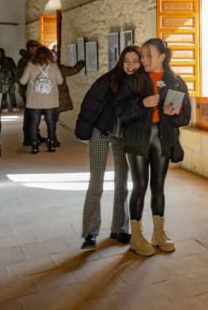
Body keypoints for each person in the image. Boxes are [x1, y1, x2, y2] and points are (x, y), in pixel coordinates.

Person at [115, 38, 191, 256]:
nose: (144, 60)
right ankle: (137, 237)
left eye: (149, 55)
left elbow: (186, 115)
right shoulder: (133, 80)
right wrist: (142, 104)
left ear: (162, 57)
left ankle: (159, 233)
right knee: (140, 185)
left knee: (158, 186)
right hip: (138, 138)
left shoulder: (176, 82)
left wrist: (174, 113)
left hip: (163, 137)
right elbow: (120, 110)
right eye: (143, 55)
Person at [76, 46, 140, 249]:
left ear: (140, 63)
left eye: (135, 61)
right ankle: (90, 232)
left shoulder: (142, 84)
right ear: (120, 62)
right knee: (96, 182)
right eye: (126, 61)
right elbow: (90, 104)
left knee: (122, 182)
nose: (130, 65)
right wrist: (83, 133)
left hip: (124, 137)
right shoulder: (109, 80)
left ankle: (120, 228)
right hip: (100, 133)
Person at [19, 46, 63, 154]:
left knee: (34, 123)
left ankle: (34, 145)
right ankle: (52, 143)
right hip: (50, 100)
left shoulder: (30, 65)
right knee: (51, 122)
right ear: (49, 54)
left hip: (34, 100)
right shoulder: (53, 66)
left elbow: (23, 81)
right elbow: (60, 81)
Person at [54, 60, 86, 147]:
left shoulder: (39, 68)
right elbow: (73, 70)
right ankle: (52, 139)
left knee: (49, 119)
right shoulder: (58, 68)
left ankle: (36, 140)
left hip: (43, 97)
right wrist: (82, 63)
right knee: (53, 119)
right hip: (56, 97)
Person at [16, 40, 41, 146]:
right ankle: (28, 138)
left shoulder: (33, 59)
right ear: (29, 48)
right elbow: (21, 77)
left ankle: (36, 136)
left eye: (37, 46)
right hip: (28, 92)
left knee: (35, 115)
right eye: (34, 46)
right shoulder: (24, 60)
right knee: (30, 116)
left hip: (35, 91)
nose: (36, 48)